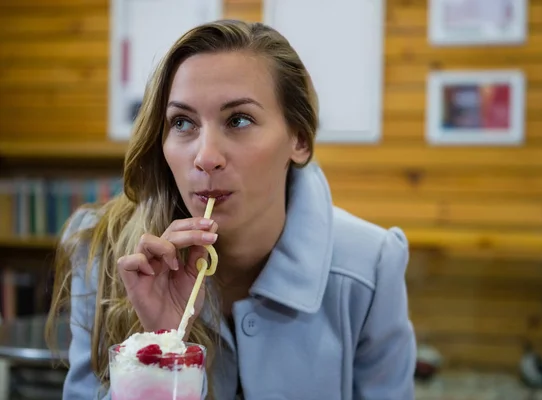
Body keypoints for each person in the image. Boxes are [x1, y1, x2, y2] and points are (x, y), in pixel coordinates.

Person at [45, 19, 417, 400]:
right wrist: (160, 351)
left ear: (300, 140)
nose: (206, 157)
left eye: (239, 120)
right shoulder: (104, 251)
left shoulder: (371, 264)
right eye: (183, 122)